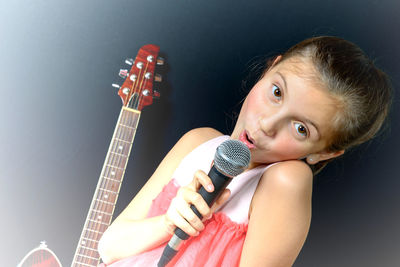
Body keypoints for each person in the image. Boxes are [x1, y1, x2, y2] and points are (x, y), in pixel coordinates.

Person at [97, 36, 392, 267]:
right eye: (276, 93)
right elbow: (108, 248)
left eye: (301, 128)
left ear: (324, 153)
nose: (266, 124)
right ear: (268, 70)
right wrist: (168, 223)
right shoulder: (197, 142)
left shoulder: (287, 180)